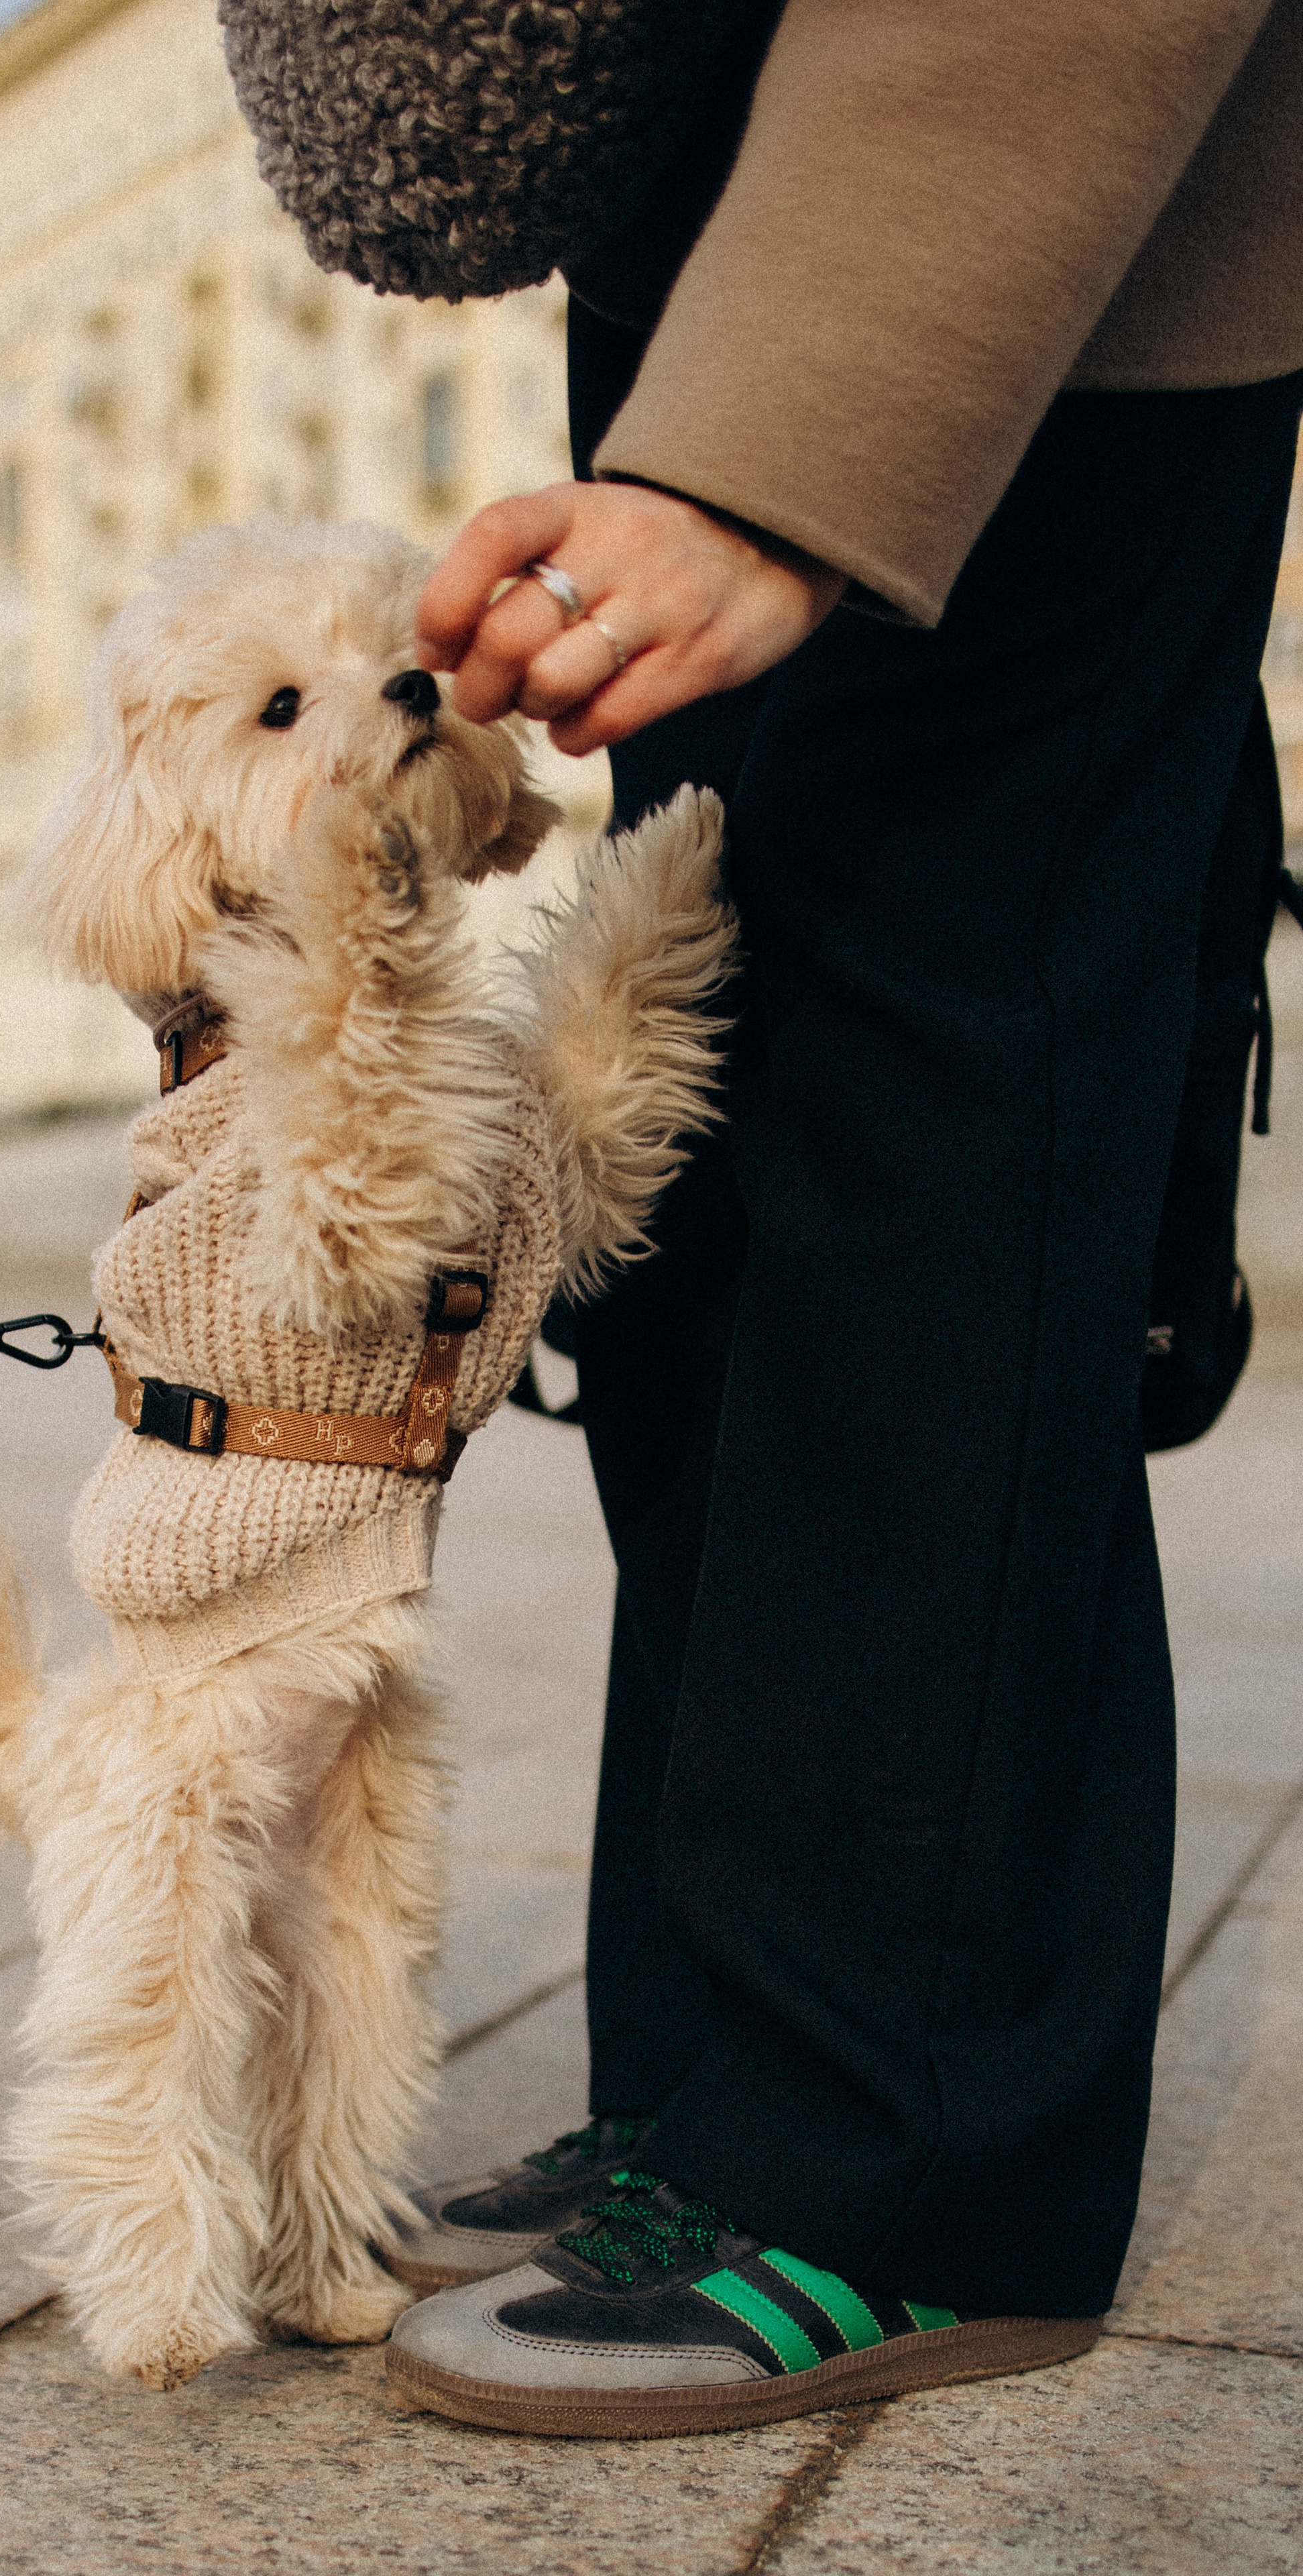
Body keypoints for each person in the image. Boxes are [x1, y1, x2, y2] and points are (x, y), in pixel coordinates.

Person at [375, 0, 1303, 2435]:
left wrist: (788, 443)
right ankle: (729, 2084)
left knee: (930, 1139)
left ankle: (910, 2167)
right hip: (747, 267)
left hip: (1046, 240)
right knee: (714, 1142)